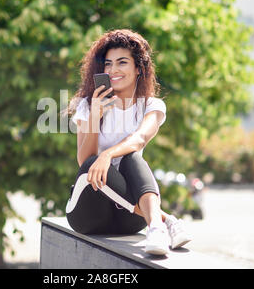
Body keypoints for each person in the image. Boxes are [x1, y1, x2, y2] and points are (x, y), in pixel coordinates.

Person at [65, 29, 191, 255]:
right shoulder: (86, 105)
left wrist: (108, 154)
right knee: (92, 164)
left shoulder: (152, 106)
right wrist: (95, 115)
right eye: (107, 64)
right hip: (89, 213)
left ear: (138, 68)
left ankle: (155, 229)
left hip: (130, 218)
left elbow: (140, 138)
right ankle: (166, 221)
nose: (113, 70)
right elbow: (84, 161)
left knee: (131, 156)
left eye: (122, 62)